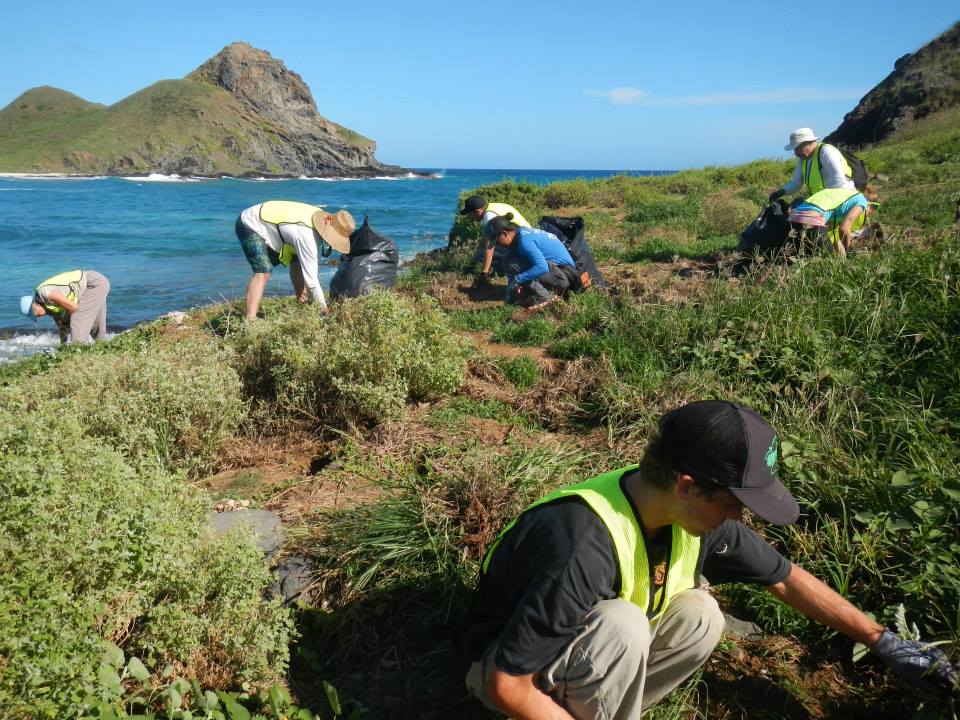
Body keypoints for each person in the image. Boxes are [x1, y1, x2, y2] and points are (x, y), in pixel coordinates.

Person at [458, 400, 958, 718]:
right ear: (686, 485)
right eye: (734, 502)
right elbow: (507, 684)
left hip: (571, 662)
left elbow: (785, 580)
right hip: (506, 673)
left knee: (702, 615)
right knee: (623, 624)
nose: (739, 517)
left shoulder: (693, 516)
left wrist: (883, 641)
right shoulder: (579, 541)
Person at [235, 200, 355, 321]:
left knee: (298, 261)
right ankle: (250, 321)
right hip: (250, 223)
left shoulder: (321, 218)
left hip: (272, 222)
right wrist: (324, 310)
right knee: (263, 272)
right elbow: (312, 281)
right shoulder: (307, 237)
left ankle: (302, 302)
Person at [486, 216, 580, 309]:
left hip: (565, 277)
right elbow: (511, 273)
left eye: (497, 241)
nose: (497, 245)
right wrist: (510, 294)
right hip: (555, 273)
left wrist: (518, 280)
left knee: (515, 265)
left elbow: (542, 267)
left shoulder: (524, 241)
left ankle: (545, 298)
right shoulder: (518, 235)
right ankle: (536, 297)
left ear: (504, 234)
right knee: (511, 262)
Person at [19, 269, 110, 344]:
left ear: (34, 305)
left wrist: (67, 319)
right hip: (95, 285)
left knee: (77, 321)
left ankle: (78, 357)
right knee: (97, 328)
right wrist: (63, 345)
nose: (38, 317)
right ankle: (105, 354)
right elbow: (62, 327)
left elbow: (74, 307)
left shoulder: (45, 294)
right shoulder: (49, 307)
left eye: (35, 314)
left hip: (93, 283)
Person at [788, 186, 878, 258]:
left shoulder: (842, 199)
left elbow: (834, 236)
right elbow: (844, 228)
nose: (867, 217)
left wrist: (843, 259)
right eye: (869, 214)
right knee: (826, 260)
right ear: (870, 206)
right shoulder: (862, 201)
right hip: (813, 219)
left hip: (793, 218)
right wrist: (849, 249)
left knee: (799, 258)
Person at [459, 195, 532, 284]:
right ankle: (500, 269)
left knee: (486, 255)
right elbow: (484, 241)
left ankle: (504, 270)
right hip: (524, 236)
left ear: (477, 212)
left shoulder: (489, 216)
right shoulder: (491, 208)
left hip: (523, 241)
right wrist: (472, 264)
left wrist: (483, 273)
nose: (469, 217)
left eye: (469, 214)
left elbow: (489, 247)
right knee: (484, 251)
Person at [769, 128, 856, 202]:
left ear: (809, 143)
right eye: (794, 149)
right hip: (824, 204)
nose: (796, 153)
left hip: (842, 200)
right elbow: (796, 182)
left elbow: (839, 180)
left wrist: (821, 202)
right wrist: (782, 192)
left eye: (798, 148)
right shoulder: (803, 159)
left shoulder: (826, 151)